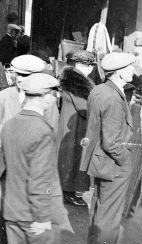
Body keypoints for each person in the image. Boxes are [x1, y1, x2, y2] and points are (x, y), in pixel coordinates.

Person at [0, 73, 70, 244]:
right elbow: (39, 180)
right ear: (47, 99)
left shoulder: (10, 125)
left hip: (12, 209)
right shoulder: (42, 131)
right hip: (31, 214)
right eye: (53, 95)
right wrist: (42, 218)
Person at [80, 52, 135, 244]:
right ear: (120, 73)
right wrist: (126, 161)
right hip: (113, 163)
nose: (134, 69)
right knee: (109, 213)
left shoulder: (99, 89)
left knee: (100, 207)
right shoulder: (113, 97)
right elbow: (112, 142)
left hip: (99, 160)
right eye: (130, 67)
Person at [0, 54, 46, 244]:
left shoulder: (47, 100)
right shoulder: (6, 95)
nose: (19, 78)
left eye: (25, 75)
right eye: (17, 74)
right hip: (3, 159)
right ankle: (2, 237)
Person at [57, 50, 95, 207]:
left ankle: (67, 190)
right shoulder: (76, 82)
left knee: (70, 159)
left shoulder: (72, 78)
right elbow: (84, 107)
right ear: (83, 65)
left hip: (71, 125)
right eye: (91, 65)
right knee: (72, 160)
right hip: (75, 127)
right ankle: (68, 192)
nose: (92, 68)